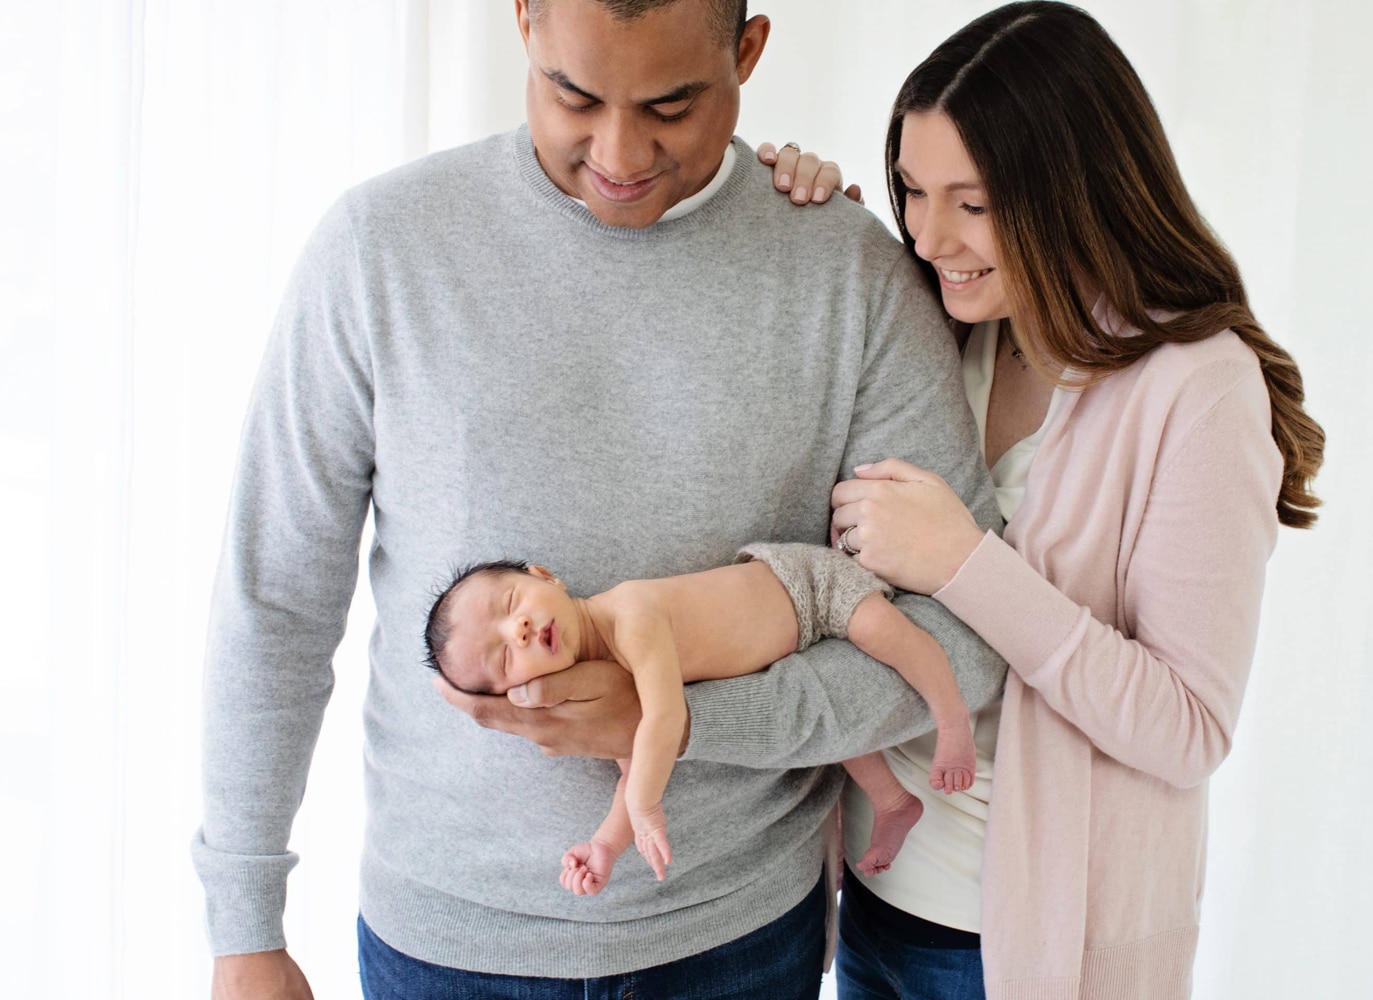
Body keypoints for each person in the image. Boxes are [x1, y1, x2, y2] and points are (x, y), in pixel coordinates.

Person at [191, 0, 1007, 997]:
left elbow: (962, 642)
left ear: (747, 54)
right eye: (574, 95)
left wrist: (682, 718)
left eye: (672, 104)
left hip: (739, 939)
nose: (620, 151)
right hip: (445, 947)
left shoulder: (850, 273)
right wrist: (244, 927)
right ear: (524, 22)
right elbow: (275, 598)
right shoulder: (379, 251)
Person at [746, 3, 1326, 997]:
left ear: (1076, 191)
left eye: (973, 205)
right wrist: (809, 210)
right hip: (870, 906)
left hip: (1032, 951)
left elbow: (1189, 724)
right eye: (915, 191)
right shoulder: (944, 324)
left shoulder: (1198, 387)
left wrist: (969, 563)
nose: (929, 237)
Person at [424, 545, 976, 892]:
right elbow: (635, 764)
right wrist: (607, 845)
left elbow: (666, 717)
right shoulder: (607, 680)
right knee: (837, 731)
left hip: (808, 586)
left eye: (512, 603)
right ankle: (893, 802)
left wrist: (648, 809)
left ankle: (952, 721)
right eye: (504, 657)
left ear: (545, 577)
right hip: (781, 655)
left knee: (892, 638)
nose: (516, 630)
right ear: (518, 692)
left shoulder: (630, 612)